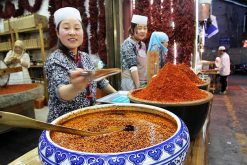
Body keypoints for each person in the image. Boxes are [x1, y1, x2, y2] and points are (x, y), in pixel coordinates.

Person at [44, 7, 116, 122]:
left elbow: (100, 81)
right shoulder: (54, 60)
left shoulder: (85, 57)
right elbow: (60, 92)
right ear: (57, 33)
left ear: (82, 32)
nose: (72, 32)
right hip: (65, 122)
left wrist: (118, 95)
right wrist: (75, 87)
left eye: (77, 28)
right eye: (66, 28)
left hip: (87, 117)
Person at [120, 14, 148, 90]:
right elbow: (133, 67)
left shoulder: (142, 44)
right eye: (139, 28)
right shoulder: (128, 43)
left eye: (145, 28)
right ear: (132, 29)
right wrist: (138, 87)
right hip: (130, 81)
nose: (143, 31)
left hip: (142, 81)